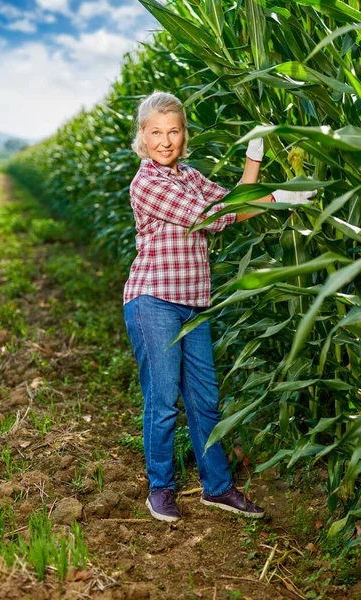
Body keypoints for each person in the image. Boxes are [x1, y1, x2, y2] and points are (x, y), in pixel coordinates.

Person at [123, 91, 316, 523]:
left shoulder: (189, 176)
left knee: (206, 403)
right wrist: (280, 198)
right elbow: (211, 215)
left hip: (195, 304)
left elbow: (235, 202)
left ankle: (217, 487)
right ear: (143, 135)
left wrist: (256, 155)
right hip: (153, 300)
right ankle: (161, 489)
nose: (166, 141)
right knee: (163, 401)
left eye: (173, 131)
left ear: (184, 134)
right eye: (156, 132)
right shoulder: (147, 183)